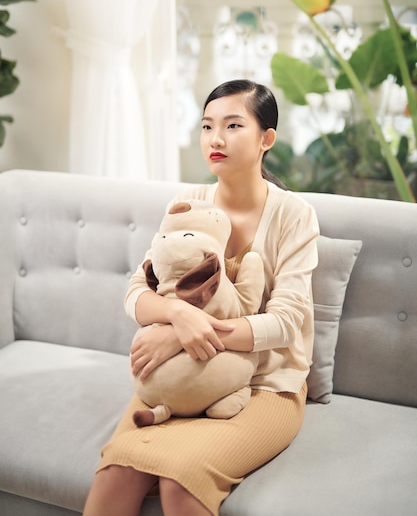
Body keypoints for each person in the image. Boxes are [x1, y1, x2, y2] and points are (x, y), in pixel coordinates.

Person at [83, 79, 319, 516]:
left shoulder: (294, 215)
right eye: (207, 126)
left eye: (233, 126)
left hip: (266, 385)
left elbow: (287, 322)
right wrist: (176, 312)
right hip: (178, 377)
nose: (216, 139)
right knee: (117, 473)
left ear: (266, 138)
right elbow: (138, 291)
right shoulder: (187, 202)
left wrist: (177, 336)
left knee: (180, 482)